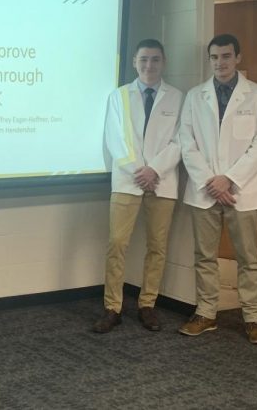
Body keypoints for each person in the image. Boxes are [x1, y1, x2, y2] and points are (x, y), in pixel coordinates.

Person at [177, 33, 257, 345]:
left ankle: (253, 317)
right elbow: (186, 142)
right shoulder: (195, 95)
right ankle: (206, 313)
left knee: (248, 257)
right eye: (215, 57)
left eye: (226, 56)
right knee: (204, 256)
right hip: (205, 190)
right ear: (210, 60)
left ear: (238, 58)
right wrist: (212, 180)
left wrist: (229, 178)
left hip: (240, 190)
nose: (220, 63)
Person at [93, 39, 183, 333]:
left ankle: (147, 305)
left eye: (155, 59)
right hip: (127, 180)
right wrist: (139, 170)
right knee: (117, 244)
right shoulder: (118, 96)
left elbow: (181, 140)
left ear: (164, 62)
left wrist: (154, 170)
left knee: (157, 246)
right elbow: (114, 139)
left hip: (163, 180)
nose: (149, 65)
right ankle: (112, 307)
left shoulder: (178, 98)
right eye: (144, 59)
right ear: (134, 62)